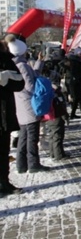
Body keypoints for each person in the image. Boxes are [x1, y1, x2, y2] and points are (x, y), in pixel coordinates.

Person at [6, 34, 51, 174]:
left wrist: (38, 63)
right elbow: (29, 86)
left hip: (21, 106)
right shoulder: (23, 66)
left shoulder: (15, 64)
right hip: (29, 105)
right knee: (32, 136)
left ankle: (21, 164)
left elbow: (31, 76)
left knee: (24, 136)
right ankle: (33, 164)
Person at [0, 39, 24, 196]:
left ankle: (4, 182)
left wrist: (7, 78)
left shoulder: (6, 60)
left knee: (3, 152)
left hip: (4, 114)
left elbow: (20, 84)